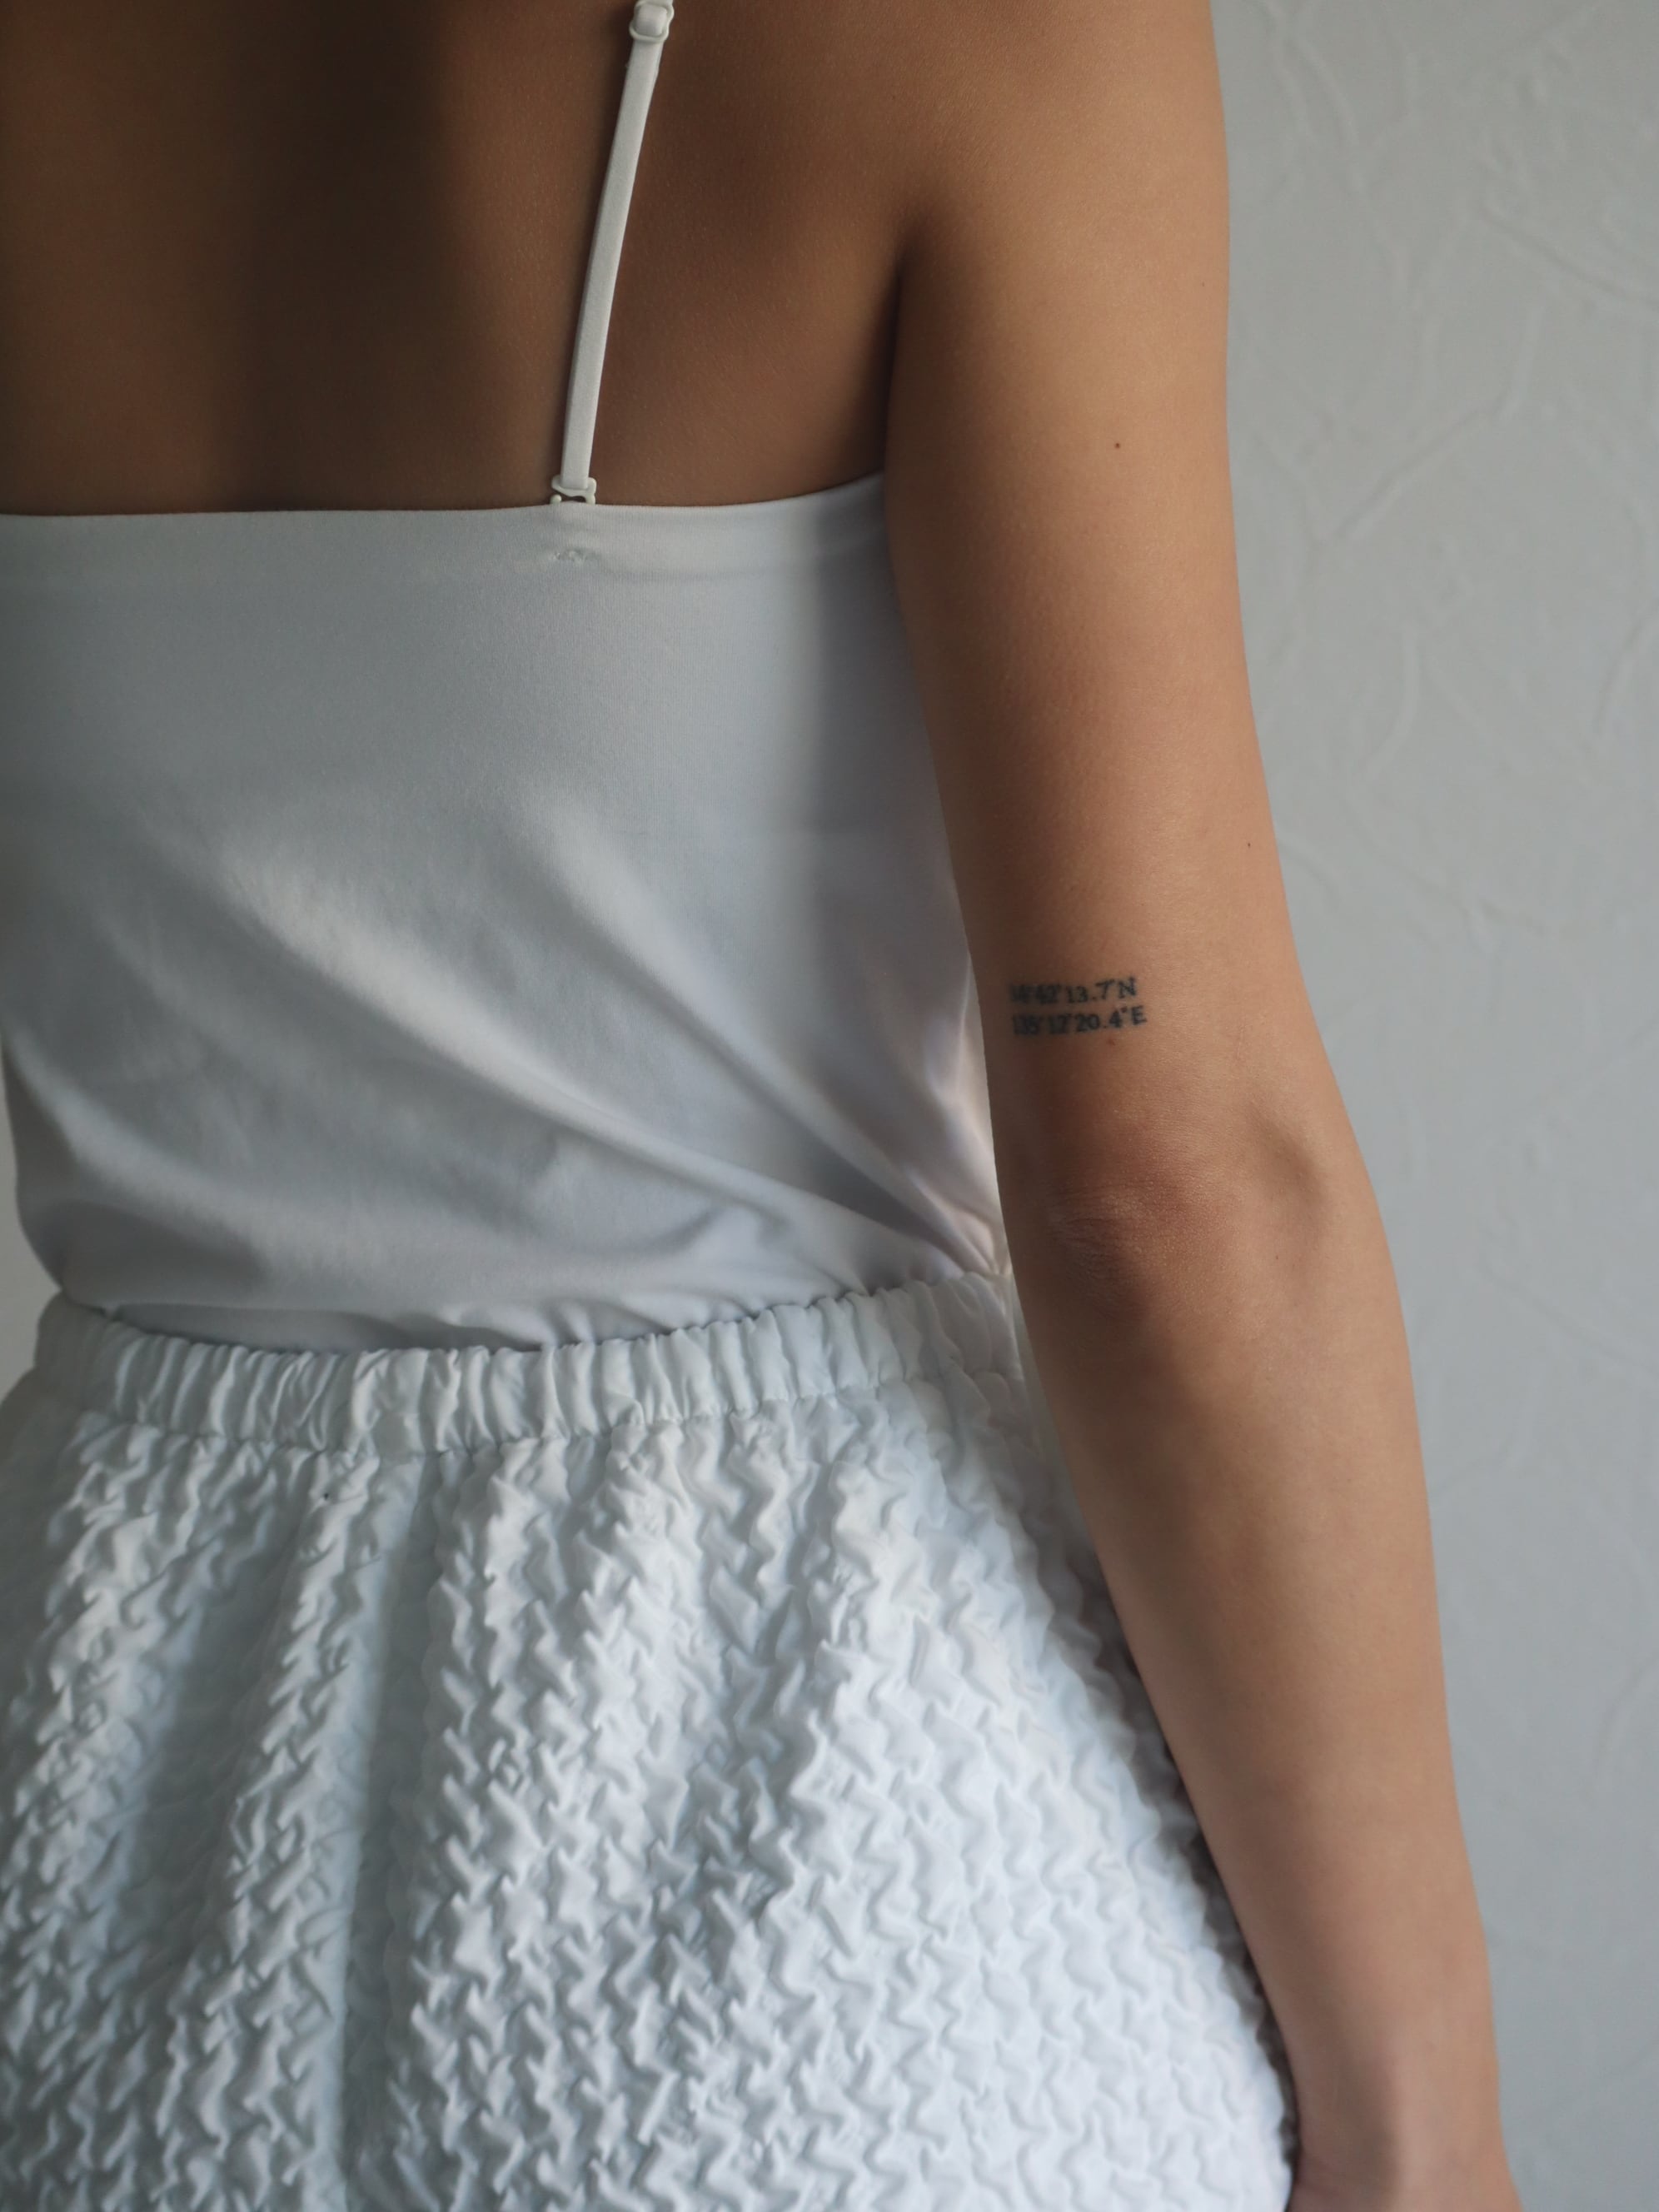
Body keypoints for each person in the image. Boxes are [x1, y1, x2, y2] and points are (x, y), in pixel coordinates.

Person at [0, 1, 1523, 2207]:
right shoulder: (997, 36)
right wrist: (1427, 2113)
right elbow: (1162, 1185)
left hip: (90, 1802)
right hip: (821, 1825)